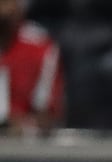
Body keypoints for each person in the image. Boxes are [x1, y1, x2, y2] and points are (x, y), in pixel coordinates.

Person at [0, 0, 64, 136]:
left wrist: (20, 125)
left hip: (22, 139)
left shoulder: (40, 47)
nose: (3, 11)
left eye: (7, 2)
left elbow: (46, 116)